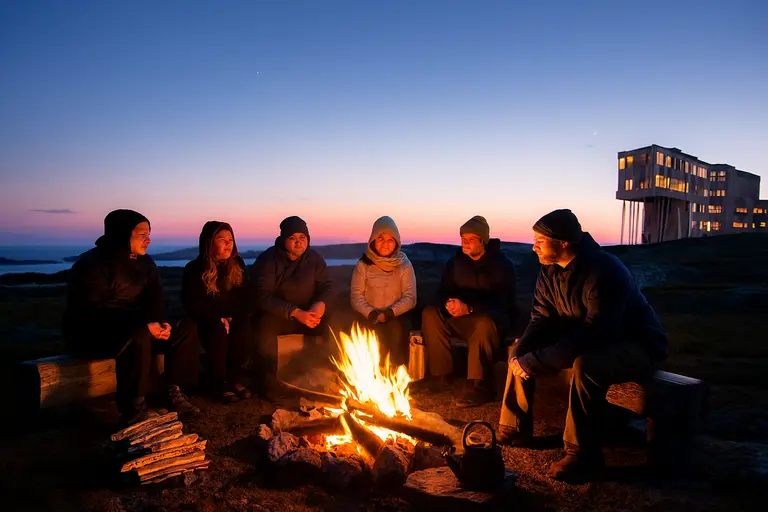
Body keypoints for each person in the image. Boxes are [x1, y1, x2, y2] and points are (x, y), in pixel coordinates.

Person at [497, 209, 668, 483]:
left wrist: (538, 361)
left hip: (634, 344)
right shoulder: (549, 272)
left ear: (563, 242)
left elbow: (597, 332)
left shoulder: (605, 271)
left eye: (540, 240)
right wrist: (520, 353)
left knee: (587, 365)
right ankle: (514, 427)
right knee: (520, 350)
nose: (534, 247)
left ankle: (581, 454)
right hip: (588, 340)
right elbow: (541, 319)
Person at [63, 209, 200, 424]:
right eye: (142, 235)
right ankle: (133, 407)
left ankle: (173, 389)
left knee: (186, 326)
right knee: (138, 334)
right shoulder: (91, 264)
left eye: (149, 234)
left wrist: (161, 322)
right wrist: (143, 326)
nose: (148, 240)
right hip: (96, 334)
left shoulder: (146, 263)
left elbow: (156, 299)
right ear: (122, 234)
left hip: (140, 328)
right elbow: (90, 312)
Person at [419, 215, 517, 407]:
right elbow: (443, 290)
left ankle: (480, 386)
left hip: (491, 321)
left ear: (483, 241)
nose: (465, 243)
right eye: (463, 238)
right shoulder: (455, 263)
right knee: (430, 314)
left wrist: (470, 308)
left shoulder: (502, 265)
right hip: (461, 319)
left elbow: (504, 301)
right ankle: (440, 377)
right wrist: (449, 304)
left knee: (484, 323)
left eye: (471, 239)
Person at [252, 216, 335, 395]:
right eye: (293, 238)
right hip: (280, 315)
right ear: (283, 239)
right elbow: (261, 296)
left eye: (302, 237)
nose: (299, 243)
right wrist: (295, 312)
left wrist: (320, 305)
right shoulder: (268, 260)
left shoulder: (314, 259)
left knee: (337, 322)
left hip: (310, 314)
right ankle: (270, 384)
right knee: (265, 327)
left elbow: (327, 286)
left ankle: (325, 376)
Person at [182, 221, 252, 403]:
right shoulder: (194, 269)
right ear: (209, 242)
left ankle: (234, 378)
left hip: (231, 317)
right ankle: (218, 382)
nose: (228, 243)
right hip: (206, 319)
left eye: (231, 239)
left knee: (244, 327)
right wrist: (218, 319)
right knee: (217, 332)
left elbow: (244, 297)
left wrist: (233, 317)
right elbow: (194, 303)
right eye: (222, 239)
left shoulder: (237, 264)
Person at [350, 216, 417, 367]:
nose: (385, 244)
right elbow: (356, 296)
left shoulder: (404, 265)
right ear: (373, 240)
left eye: (390, 240)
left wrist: (389, 313)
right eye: (381, 238)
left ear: (396, 242)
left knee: (396, 333)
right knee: (363, 334)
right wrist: (371, 313)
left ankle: (395, 375)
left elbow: (410, 297)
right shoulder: (363, 264)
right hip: (369, 316)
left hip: (395, 316)